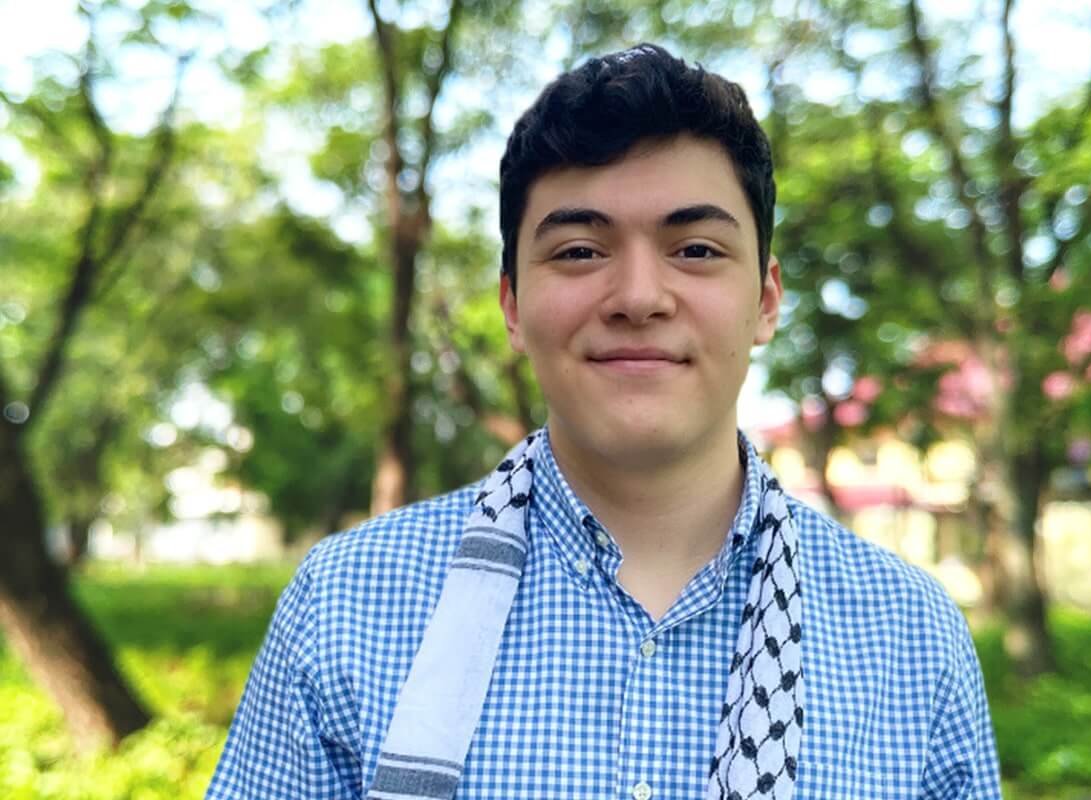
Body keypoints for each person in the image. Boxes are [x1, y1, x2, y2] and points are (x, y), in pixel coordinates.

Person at [207, 44, 1001, 800]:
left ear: (765, 300)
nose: (639, 297)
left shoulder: (909, 635)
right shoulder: (347, 603)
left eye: (695, 249)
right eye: (581, 251)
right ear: (513, 306)